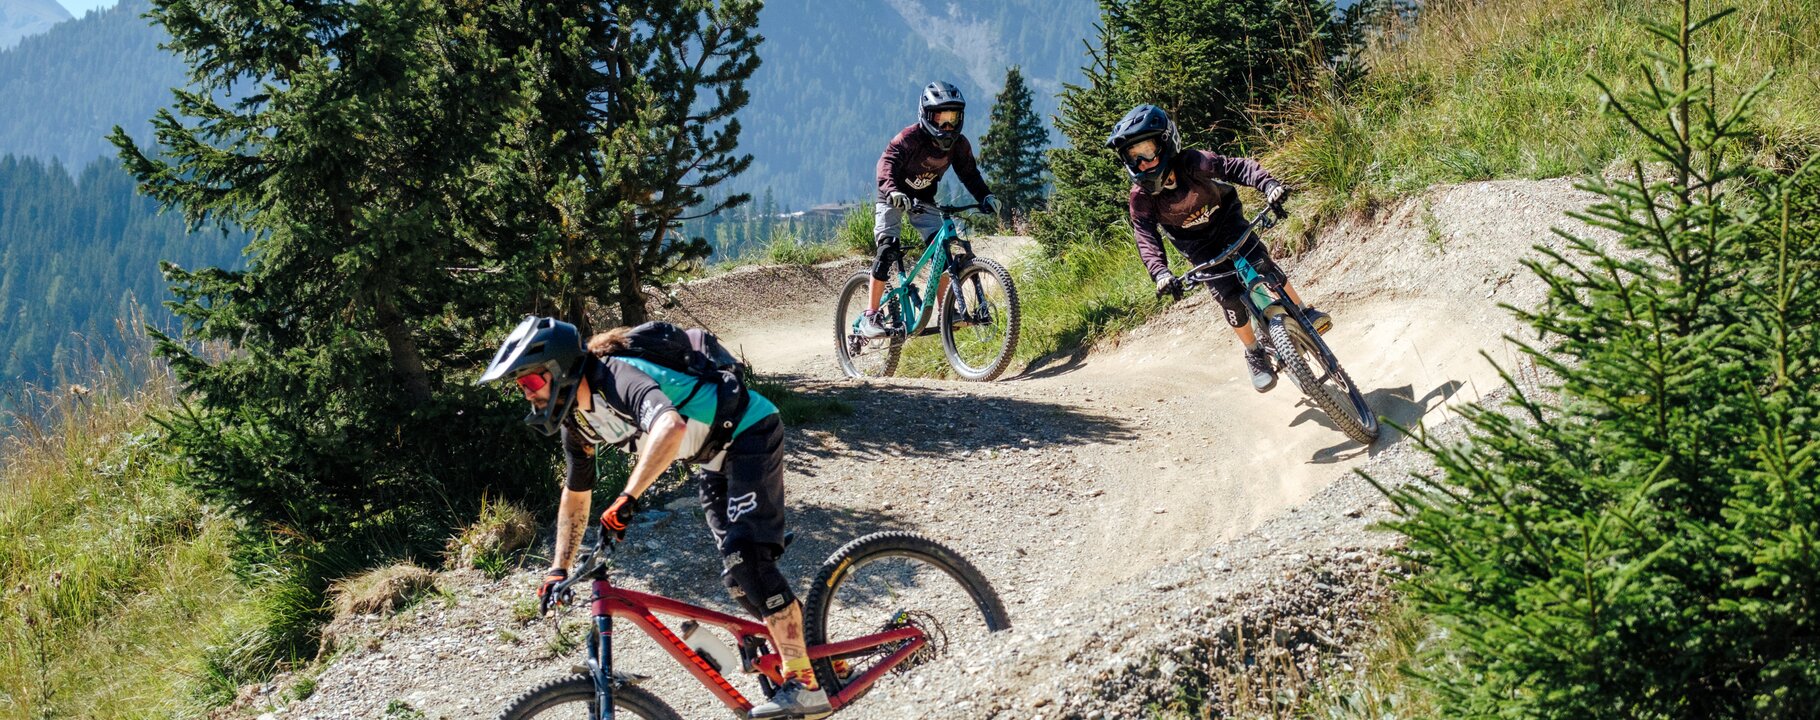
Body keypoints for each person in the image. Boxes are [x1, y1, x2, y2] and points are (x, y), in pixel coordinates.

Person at [478, 316, 827, 718]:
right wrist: (559, 567)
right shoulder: (575, 422)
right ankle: (820, 659)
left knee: (745, 554)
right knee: (738, 578)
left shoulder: (615, 377)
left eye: (532, 383)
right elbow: (575, 496)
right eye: (522, 387)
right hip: (712, 457)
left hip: (749, 432)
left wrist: (628, 496)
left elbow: (670, 426)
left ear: (558, 369)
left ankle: (805, 683)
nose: (528, 395)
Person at [1104, 104, 1331, 392]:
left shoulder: (1194, 162)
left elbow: (1237, 167)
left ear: (1165, 142)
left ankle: (1302, 312)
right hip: (1199, 248)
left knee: (1264, 266)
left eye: (1147, 150)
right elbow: (1146, 237)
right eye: (1133, 157)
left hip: (1228, 222)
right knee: (1229, 298)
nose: (1143, 162)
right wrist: (1160, 272)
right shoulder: (1141, 198)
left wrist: (1268, 185)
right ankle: (1254, 353)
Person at [855, 80, 997, 338]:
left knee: (942, 254)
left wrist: (986, 196)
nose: (947, 125)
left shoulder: (958, 144)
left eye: (953, 118)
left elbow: (970, 174)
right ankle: (871, 315)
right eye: (941, 118)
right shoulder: (908, 139)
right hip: (892, 195)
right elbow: (885, 165)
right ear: (926, 115)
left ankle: (947, 311)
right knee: (887, 249)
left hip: (923, 200)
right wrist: (893, 191)